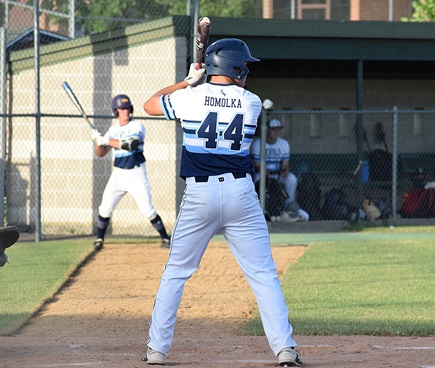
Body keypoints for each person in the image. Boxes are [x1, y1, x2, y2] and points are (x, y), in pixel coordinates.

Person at [141, 38, 302, 367]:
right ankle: (285, 349)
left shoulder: (189, 97)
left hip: (199, 196)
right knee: (262, 274)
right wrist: (198, 86)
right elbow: (222, 99)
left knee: (176, 273)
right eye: (244, 66)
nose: (247, 72)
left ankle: (157, 351)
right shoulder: (252, 102)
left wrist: (188, 81)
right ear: (234, 67)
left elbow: (150, 103)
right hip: (241, 194)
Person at [90, 95, 171, 251]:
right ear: (116, 111)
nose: (125, 111)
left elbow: (131, 145)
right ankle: (99, 239)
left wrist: (105, 140)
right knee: (105, 207)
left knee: (147, 209)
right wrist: (97, 141)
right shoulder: (113, 130)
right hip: (118, 174)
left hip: (136, 173)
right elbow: (101, 153)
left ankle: (166, 238)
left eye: (127, 108)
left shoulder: (137, 126)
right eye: (121, 108)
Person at [250, 118, 298, 206]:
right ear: (267, 130)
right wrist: (264, 172)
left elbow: (285, 164)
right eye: (274, 129)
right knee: (256, 178)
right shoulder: (258, 143)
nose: (277, 132)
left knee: (292, 179)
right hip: (262, 174)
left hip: (278, 174)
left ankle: (289, 204)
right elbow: (256, 165)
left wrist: (284, 171)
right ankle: (258, 205)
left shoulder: (284, 144)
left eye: (278, 130)